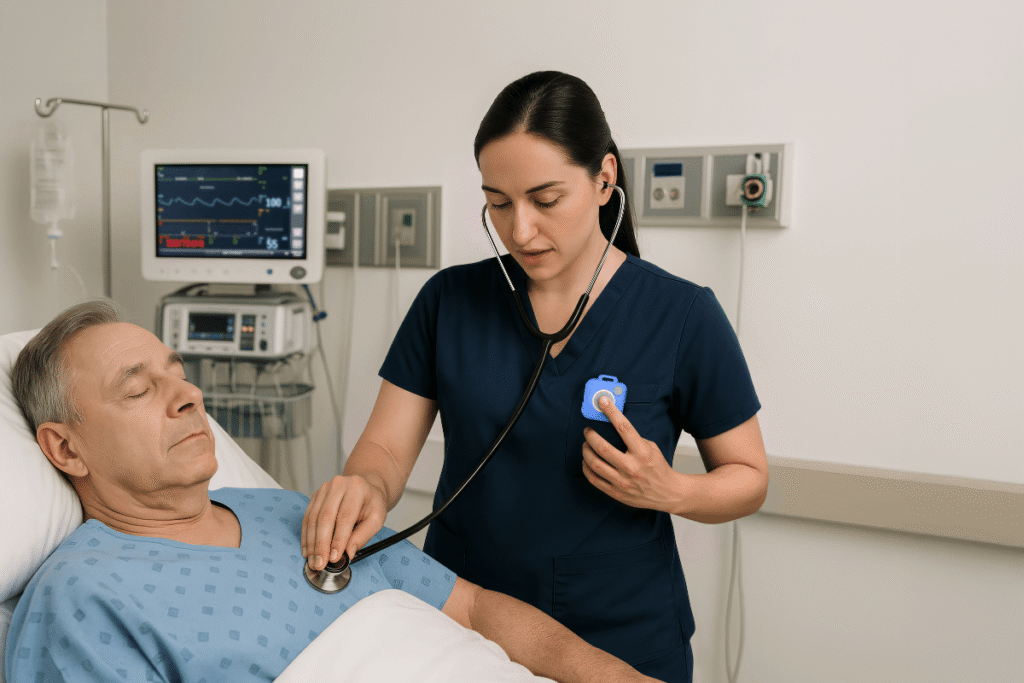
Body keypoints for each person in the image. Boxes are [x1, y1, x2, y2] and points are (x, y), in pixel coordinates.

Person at [303, 70, 769, 683]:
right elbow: (386, 448)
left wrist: (672, 491)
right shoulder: (448, 302)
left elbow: (749, 478)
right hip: (464, 631)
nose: (519, 230)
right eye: (498, 203)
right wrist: (363, 486)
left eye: (545, 201)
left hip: (619, 641)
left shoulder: (682, 316)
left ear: (605, 180)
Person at [5, 300, 658, 683]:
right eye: (140, 388)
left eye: (178, 374)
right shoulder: (84, 594)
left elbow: (476, 611)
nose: (189, 395)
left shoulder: (298, 511)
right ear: (66, 448)